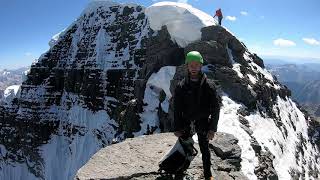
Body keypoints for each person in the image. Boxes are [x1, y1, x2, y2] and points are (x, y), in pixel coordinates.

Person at [173, 51, 221, 180]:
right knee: (185, 147)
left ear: (201, 66)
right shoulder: (181, 86)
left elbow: (216, 108)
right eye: (191, 65)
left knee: (205, 150)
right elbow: (176, 108)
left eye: (196, 65)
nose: (194, 67)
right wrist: (177, 127)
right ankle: (180, 171)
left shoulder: (209, 86)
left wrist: (212, 129)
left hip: (203, 122)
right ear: (187, 66)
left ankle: (208, 175)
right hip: (186, 123)